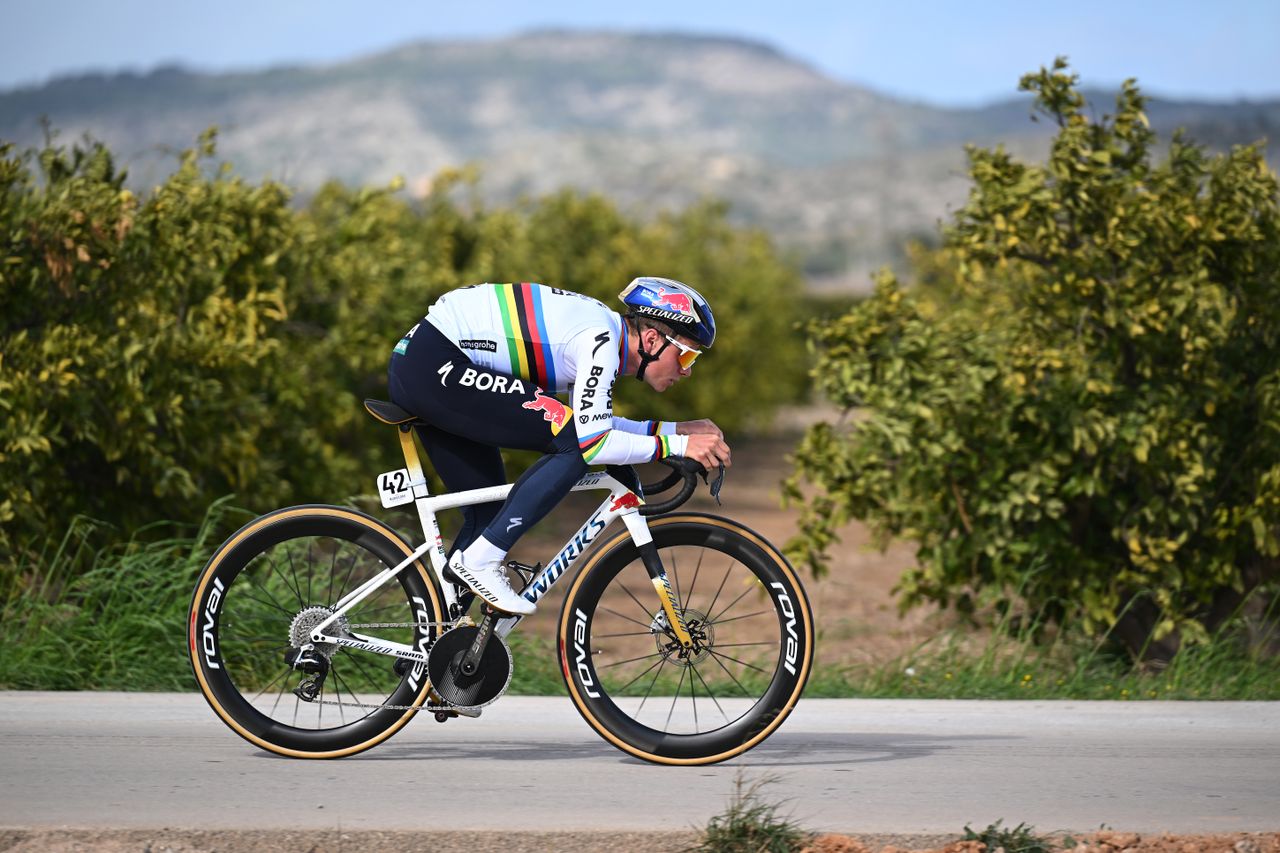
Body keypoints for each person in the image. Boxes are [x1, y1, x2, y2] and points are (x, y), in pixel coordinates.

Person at [387, 277, 731, 615]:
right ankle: (481, 562)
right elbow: (592, 443)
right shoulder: (601, 341)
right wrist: (679, 444)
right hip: (436, 363)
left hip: (432, 362)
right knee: (576, 447)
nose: (686, 372)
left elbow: (589, 425)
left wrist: (674, 430)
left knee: (489, 517)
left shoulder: (604, 335)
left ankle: (437, 645)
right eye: (686, 358)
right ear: (653, 339)